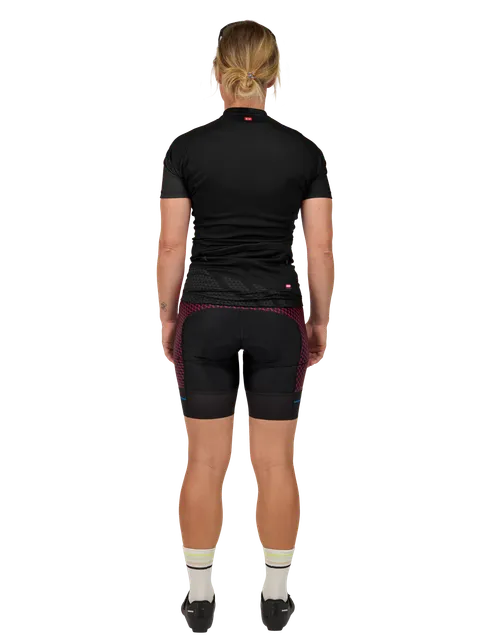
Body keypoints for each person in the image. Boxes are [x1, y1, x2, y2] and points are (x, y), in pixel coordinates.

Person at [156, 18, 335, 633]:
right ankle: (278, 601)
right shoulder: (304, 152)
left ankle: (200, 601)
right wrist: (320, 322)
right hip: (279, 317)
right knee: (277, 464)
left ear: (218, 72)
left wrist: (166, 317)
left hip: (204, 315)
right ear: (275, 74)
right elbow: (319, 249)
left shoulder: (187, 150)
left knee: (203, 463)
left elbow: (172, 245)